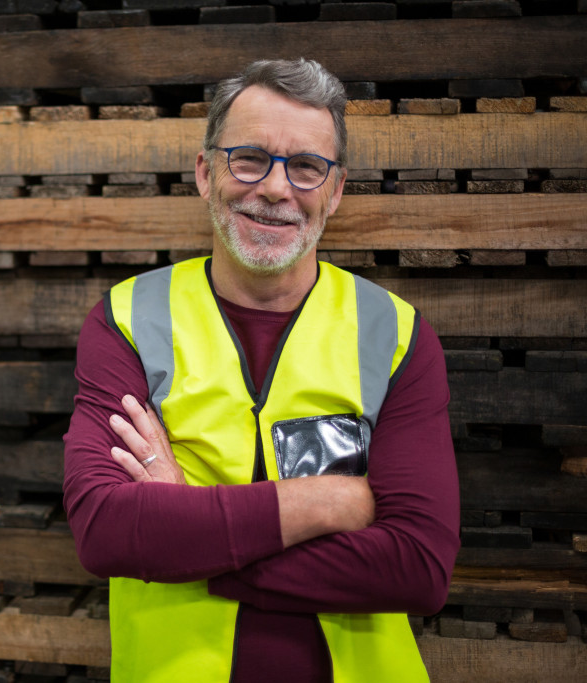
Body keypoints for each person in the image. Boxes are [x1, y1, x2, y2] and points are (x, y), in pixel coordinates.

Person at [62, 58, 460, 682]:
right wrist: (329, 501)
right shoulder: (128, 321)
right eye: (249, 158)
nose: (275, 189)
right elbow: (105, 532)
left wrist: (187, 527)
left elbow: (417, 569)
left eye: (306, 167)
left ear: (335, 190)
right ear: (205, 172)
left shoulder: (396, 335)